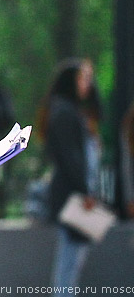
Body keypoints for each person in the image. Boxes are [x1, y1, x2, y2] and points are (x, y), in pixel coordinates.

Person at [37, 59, 103, 294]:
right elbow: (71, 158)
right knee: (70, 259)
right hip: (72, 196)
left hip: (71, 193)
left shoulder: (65, 110)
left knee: (73, 257)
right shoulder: (65, 112)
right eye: (83, 78)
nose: (88, 84)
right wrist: (85, 191)